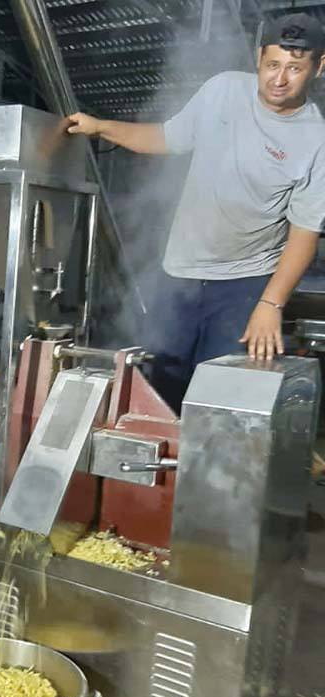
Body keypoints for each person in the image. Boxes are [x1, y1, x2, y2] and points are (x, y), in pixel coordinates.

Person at [67, 12, 325, 412]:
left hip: (244, 285)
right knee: (153, 389)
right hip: (179, 274)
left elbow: (304, 234)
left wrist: (270, 305)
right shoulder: (222, 90)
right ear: (259, 58)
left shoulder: (317, 141)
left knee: (221, 399)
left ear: (319, 67)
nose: (279, 79)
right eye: (272, 64)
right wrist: (100, 127)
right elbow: (166, 138)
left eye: (294, 68)